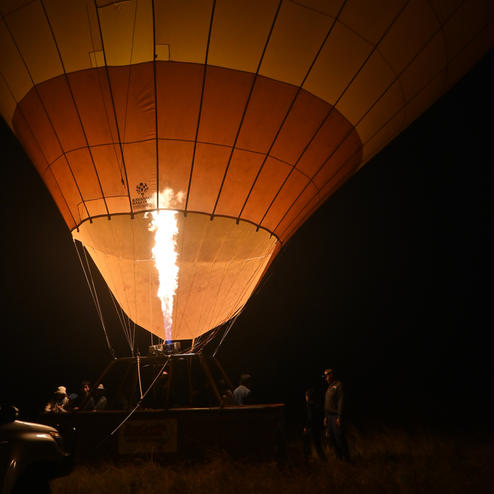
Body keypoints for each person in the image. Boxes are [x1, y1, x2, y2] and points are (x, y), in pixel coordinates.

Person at [323, 368, 350, 461]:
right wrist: (326, 417)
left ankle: (347, 459)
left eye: (327, 375)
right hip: (329, 417)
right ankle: (339, 458)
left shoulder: (338, 385)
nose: (325, 377)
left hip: (335, 416)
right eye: (325, 375)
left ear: (331, 375)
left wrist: (340, 416)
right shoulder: (329, 387)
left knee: (339, 437)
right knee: (332, 438)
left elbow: (341, 402)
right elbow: (327, 404)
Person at [303, 387, 326, 461]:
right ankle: (323, 458)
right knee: (317, 444)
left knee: (308, 442)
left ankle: (308, 457)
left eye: (306, 396)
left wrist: (306, 427)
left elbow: (310, 417)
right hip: (317, 427)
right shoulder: (317, 404)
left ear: (308, 396)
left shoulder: (309, 405)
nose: (305, 398)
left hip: (312, 427)